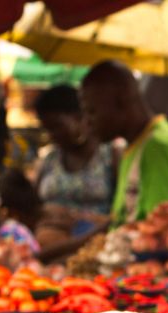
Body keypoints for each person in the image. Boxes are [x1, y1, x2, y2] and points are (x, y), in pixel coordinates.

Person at [79, 60, 168, 229]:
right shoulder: (137, 146)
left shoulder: (159, 150)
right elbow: (122, 221)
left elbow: (163, 232)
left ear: (122, 100)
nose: (87, 122)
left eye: (92, 111)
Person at [33, 85, 116, 259]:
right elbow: (33, 206)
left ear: (79, 117)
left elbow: (119, 216)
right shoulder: (49, 160)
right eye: (46, 128)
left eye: (57, 126)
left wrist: (79, 219)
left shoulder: (110, 156)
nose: (51, 135)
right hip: (47, 255)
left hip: (92, 253)